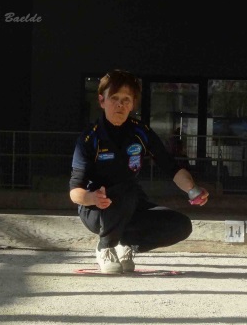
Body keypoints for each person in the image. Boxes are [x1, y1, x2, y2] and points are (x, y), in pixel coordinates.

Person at [69, 69, 209, 274]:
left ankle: (124, 244)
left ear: (133, 103)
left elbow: (170, 166)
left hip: (131, 202)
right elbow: (75, 192)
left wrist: (193, 189)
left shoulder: (140, 132)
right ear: (102, 101)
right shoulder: (90, 138)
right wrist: (92, 198)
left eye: (126, 99)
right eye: (114, 98)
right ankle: (105, 246)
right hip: (96, 210)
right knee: (123, 188)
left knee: (180, 225)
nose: (120, 104)